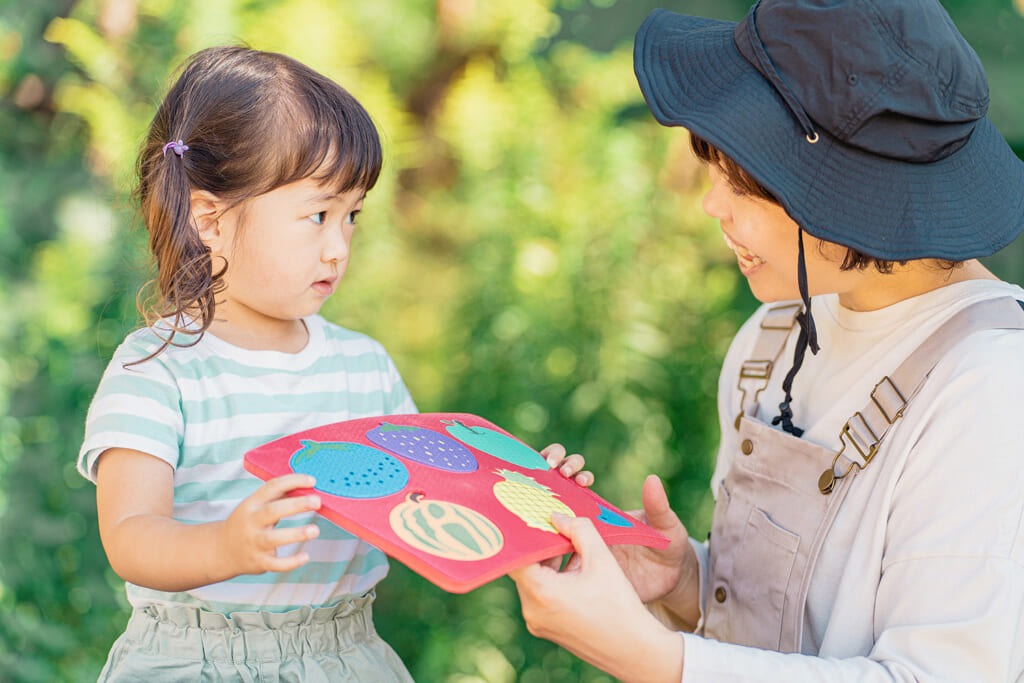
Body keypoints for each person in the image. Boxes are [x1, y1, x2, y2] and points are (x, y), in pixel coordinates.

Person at [509, 1, 1024, 681]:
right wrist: (689, 583)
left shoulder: (988, 384)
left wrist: (651, 658)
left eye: (743, 182)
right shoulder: (771, 339)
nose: (711, 205)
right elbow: (800, 630)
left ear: (850, 200)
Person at [77, 46, 588, 681]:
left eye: (351, 217)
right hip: (197, 658)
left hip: (345, 656)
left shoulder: (362, 367)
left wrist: (530, 497)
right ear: (209, 218)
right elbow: (129, 534)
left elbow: (431, 494)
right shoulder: (159, 369)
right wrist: (225, 546)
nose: (337, 247)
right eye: (317, 215)